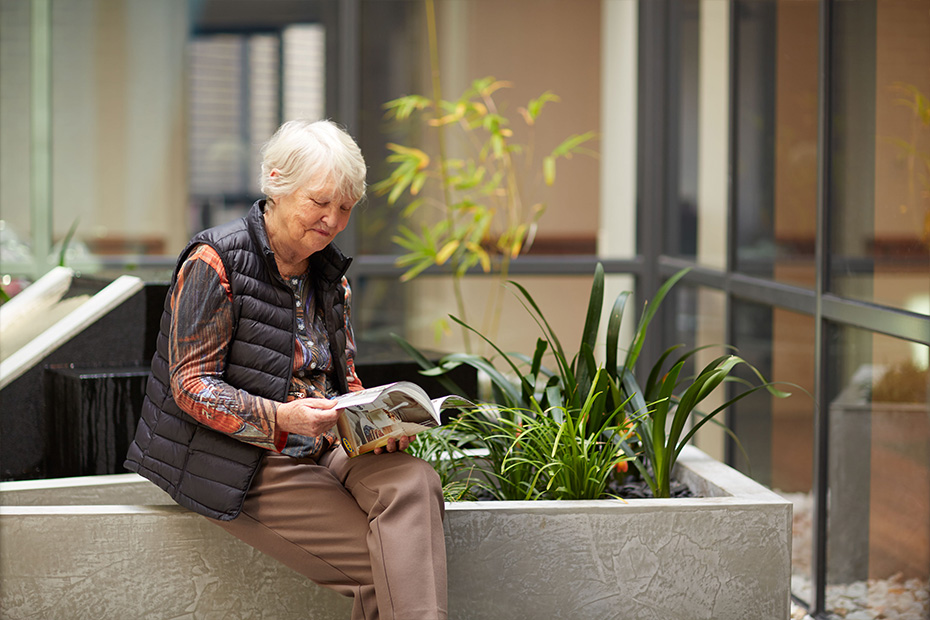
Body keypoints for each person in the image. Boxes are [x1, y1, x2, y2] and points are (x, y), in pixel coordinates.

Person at [125, 119, 448, 620]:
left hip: (324, 442)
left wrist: (379, 424)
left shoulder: (330, 277)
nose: (334, 221)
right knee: (389, 563)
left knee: (413, 480)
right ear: (276, 182)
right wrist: (281, 418)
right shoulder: (216, 262)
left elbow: (344, 378)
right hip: (240, 457)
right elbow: (189, 385)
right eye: (321, 203)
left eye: (345, 208)